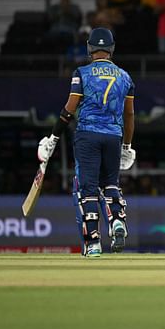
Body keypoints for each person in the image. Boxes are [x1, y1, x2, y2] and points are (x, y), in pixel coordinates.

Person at [36, 28, 136, 257]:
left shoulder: (81, 73)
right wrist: (127, 146)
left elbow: (69, 109)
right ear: (111, 49)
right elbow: (129, 115)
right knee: (110, 183)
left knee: (88, 189)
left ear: (90, 48)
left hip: (87, 135)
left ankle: (93, 244)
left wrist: (53, 137)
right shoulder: (125, 76)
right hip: (113, 135)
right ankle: (117, 221)